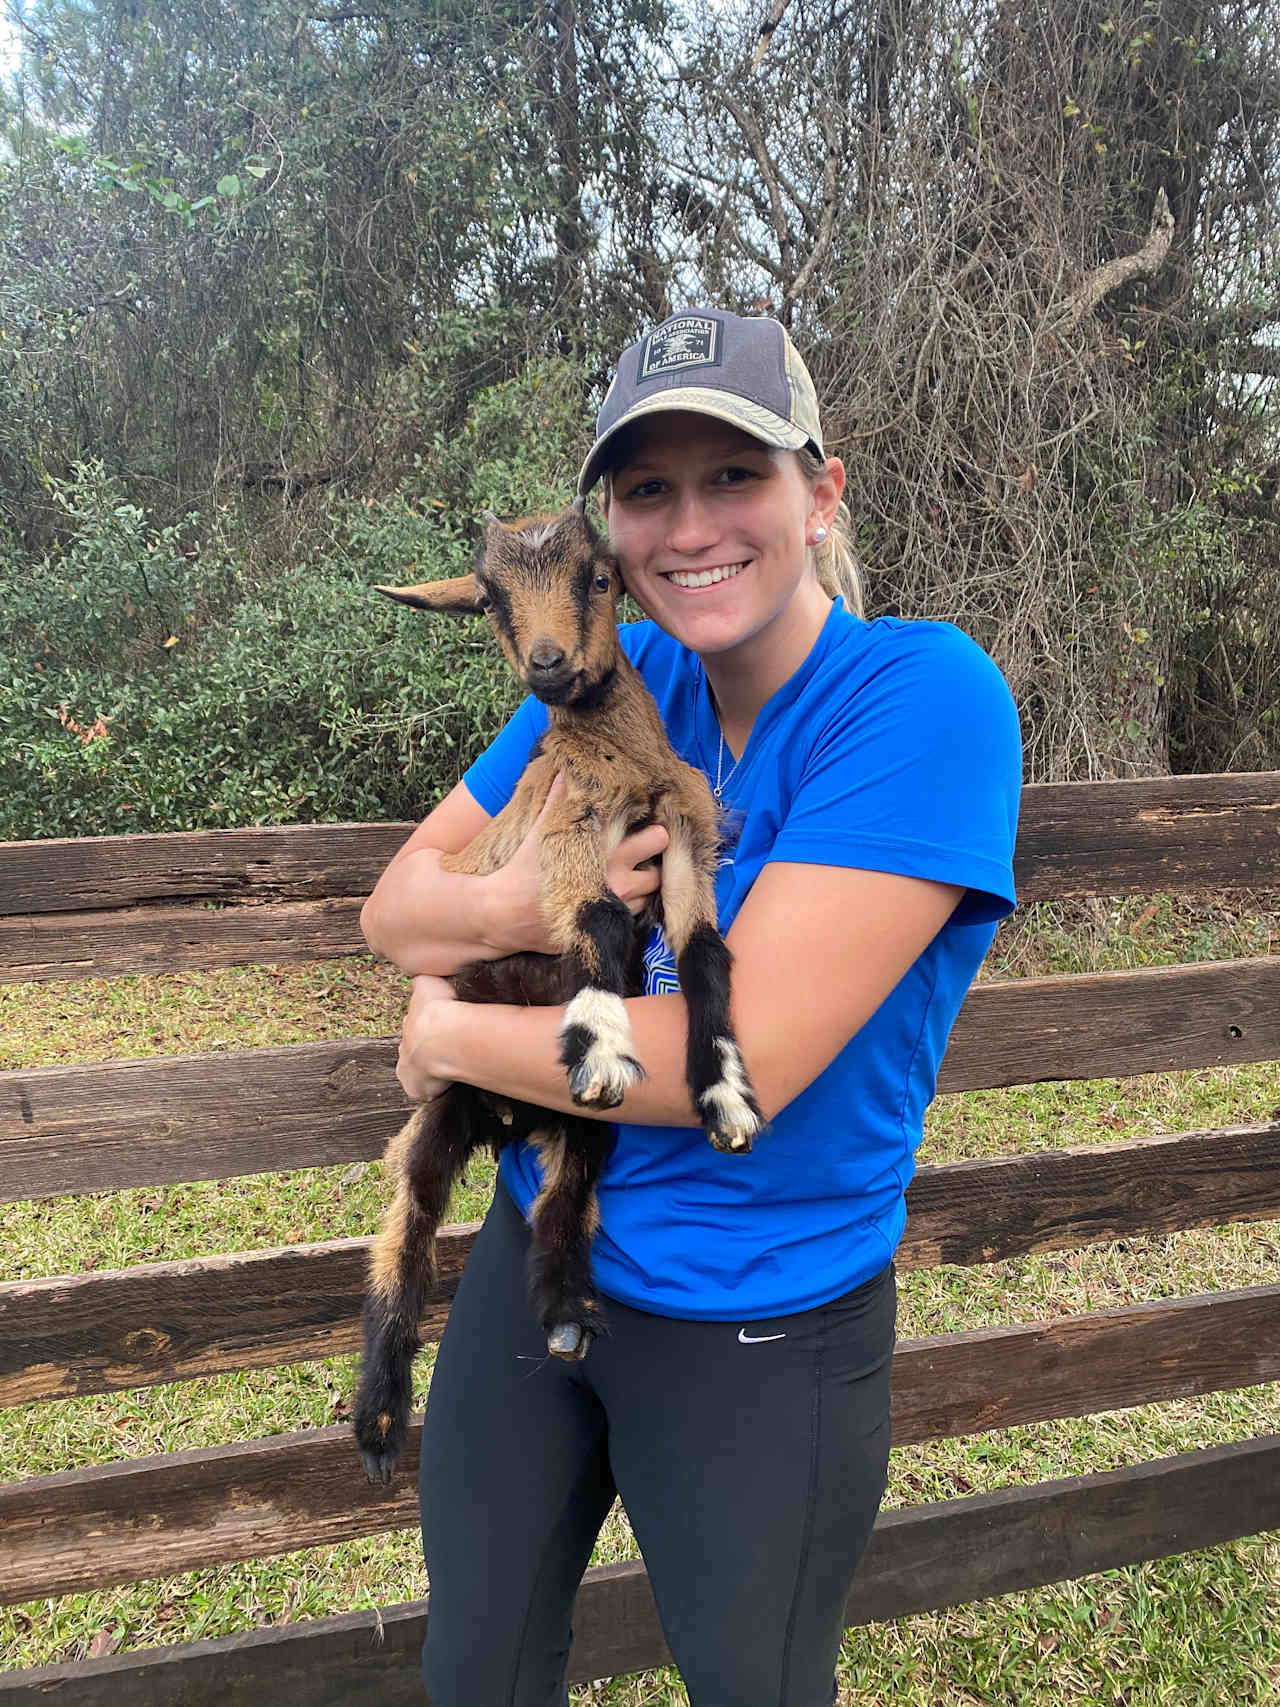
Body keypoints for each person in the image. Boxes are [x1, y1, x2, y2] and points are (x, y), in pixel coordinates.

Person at [360, 306, 1023, 1707]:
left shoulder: (922, 701)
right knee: (473, 1670)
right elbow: (397, 904)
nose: (691, 525)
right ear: (607, 534)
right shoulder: (620, 670)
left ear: (820, 491)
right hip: (543, 1245)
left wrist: (447, 1037)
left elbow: (736, 1064)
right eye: (649, 489)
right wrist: (514, 903)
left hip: (756, 1318)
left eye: (736, 475)